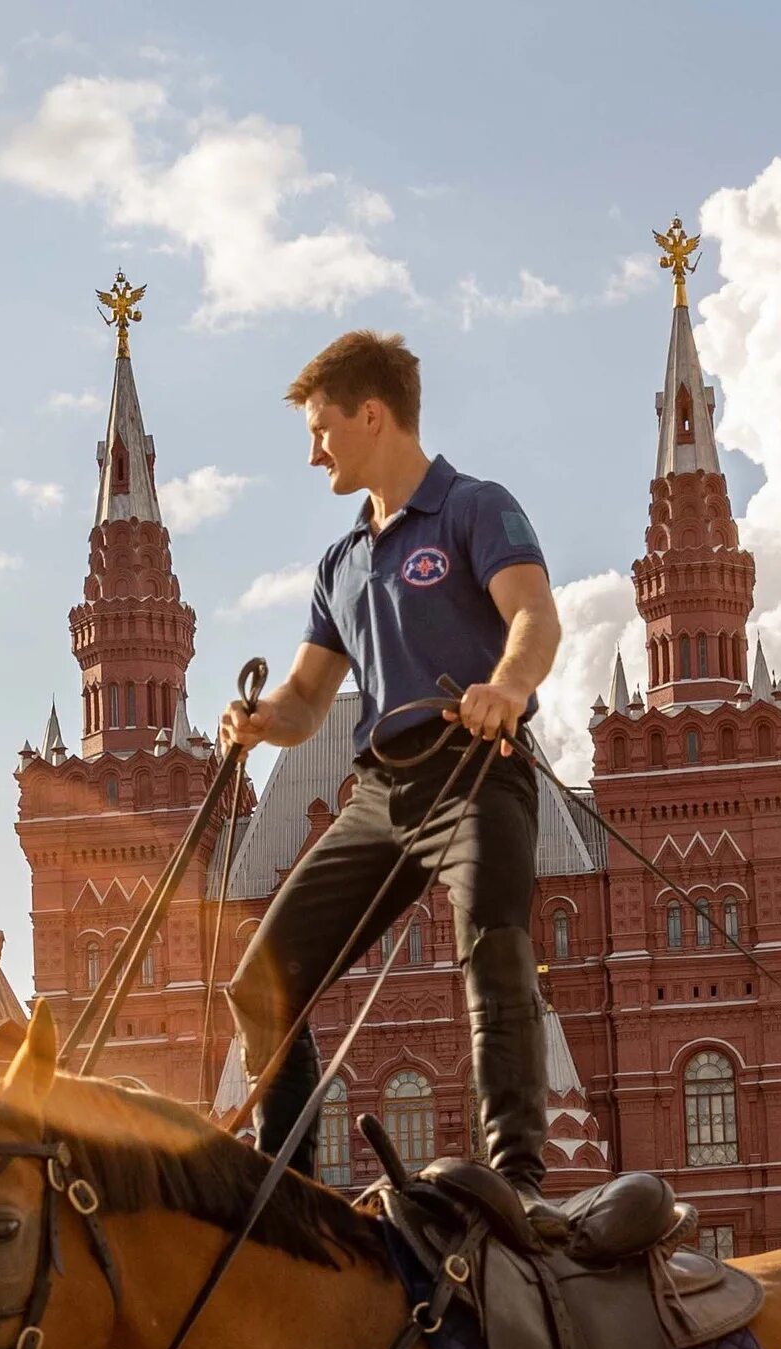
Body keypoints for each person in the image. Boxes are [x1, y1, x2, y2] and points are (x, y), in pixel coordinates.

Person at [223, 328, 564, 1204]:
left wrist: (507, 688)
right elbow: (306, 702)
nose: (312, 453)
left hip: (475, 771)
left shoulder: (474, 509)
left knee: (494, 947)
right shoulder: (341, 563)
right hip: (382, 794)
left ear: (370, 415)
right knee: (261, 982)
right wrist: (262, 722)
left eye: (320, 430)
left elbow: (534, 617)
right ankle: (286, 1191)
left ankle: (518, 1180)